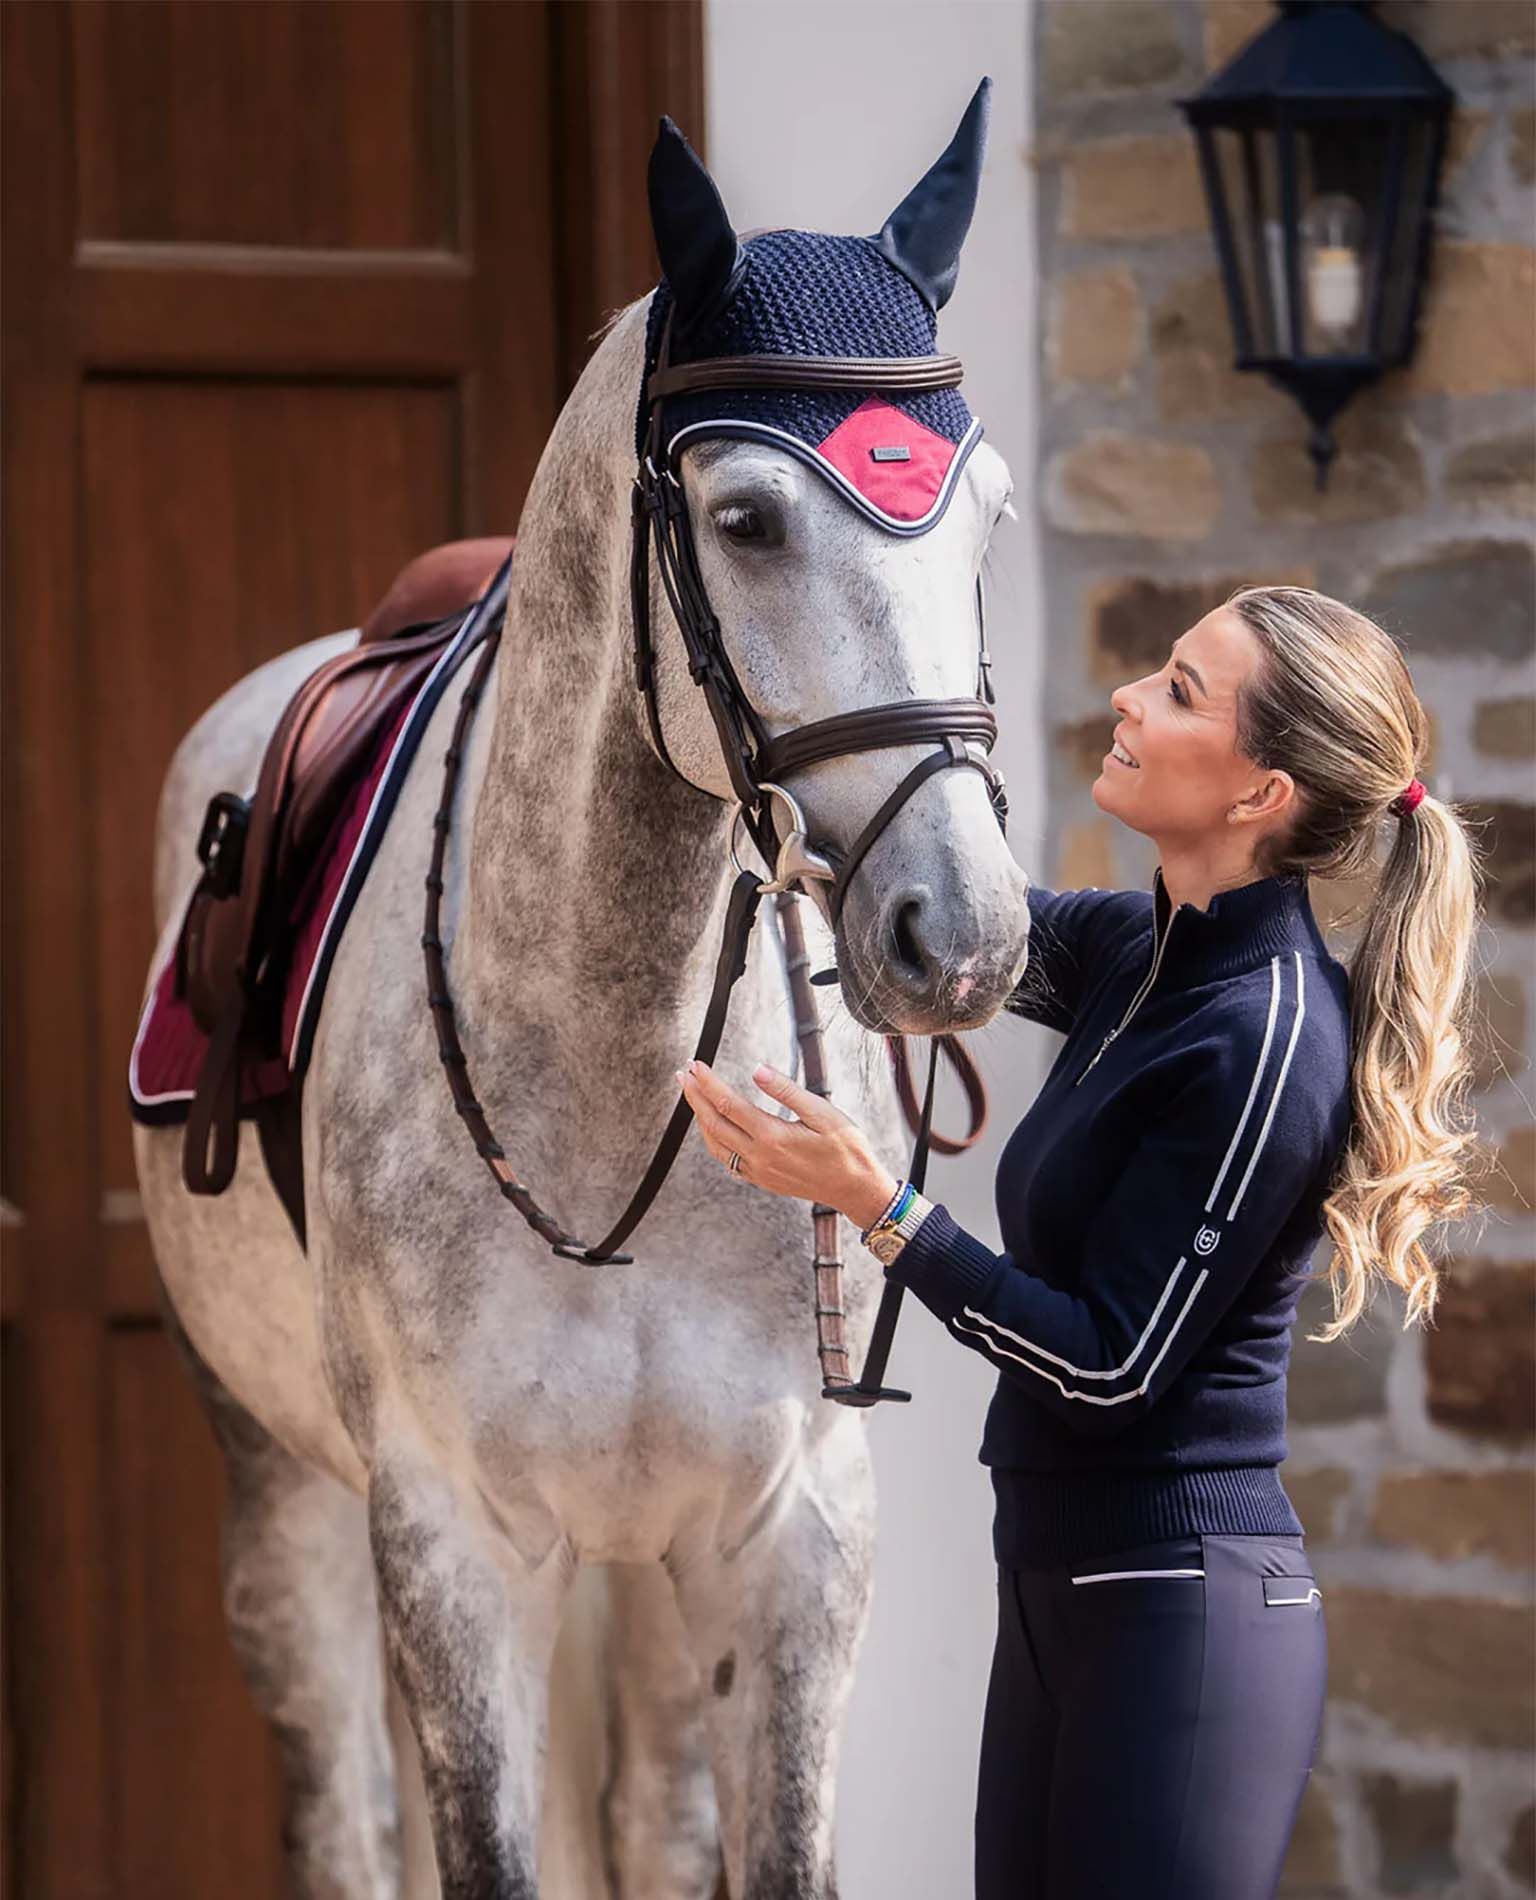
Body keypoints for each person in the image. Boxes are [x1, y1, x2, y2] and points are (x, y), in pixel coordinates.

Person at [677, 583, 1486, 1900]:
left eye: (1179, 691)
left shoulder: (1265, 1039)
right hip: (1058, 1586)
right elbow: (942, 920)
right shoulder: (1142, 952)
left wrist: (879, 1206)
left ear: (1260, 792)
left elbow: (1111, 1368)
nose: (1128, 697)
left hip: (1181, 1616)